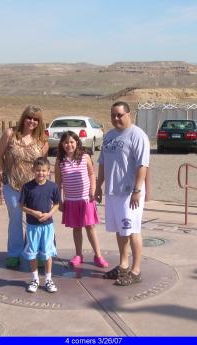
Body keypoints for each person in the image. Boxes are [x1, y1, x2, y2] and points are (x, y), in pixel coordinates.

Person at [94, 101, 150, 286]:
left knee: (132, 230)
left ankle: (136, 270)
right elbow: (102, 163)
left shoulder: (137, 135)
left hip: (129, 193)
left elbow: (143, 165)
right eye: (113, 115)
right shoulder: (109, 136)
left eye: (119, 115)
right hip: (112, 191)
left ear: (128, 114)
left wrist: (137, 190)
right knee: (120, 230)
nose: (116, 118)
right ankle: (123, 265)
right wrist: (98, 186)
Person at [0, 105, 49, 269]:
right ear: (23, 117)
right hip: (12, 185)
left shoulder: (42, 141)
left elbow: (43, 164)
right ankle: (14, 254)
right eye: (29, 117)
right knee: (15, 220)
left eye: (35, 119)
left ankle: (39, 253)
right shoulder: (10, 134)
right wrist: (6, 172)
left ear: (39, 122)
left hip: (34, 187)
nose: (31, 121)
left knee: (36, 220)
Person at [54, 131, 109, 268]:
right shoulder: (59, 161)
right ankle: (78, 255)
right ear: (62, 144)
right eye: (66, 142)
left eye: (72, 142)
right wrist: (59, 201)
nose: (69, 145)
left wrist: (93, 190)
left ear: (77, 142)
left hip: (86, 199)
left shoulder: (85, 157)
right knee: (77, 228)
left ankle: (98, 256)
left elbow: (91, 174)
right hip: (71, 201)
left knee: (90, 227)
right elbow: (57, 183)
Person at [21, 157, 61, 293]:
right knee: (32, 254)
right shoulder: (27, 187)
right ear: (33, 170)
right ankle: (35, 279)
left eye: (44, 170)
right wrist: (33, 212)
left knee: (47, 253)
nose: (41, 173)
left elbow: (57, 204)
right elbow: (21, 206)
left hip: (48, 226)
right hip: (32, 227)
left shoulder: (53, 187)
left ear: (48, 171)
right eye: (38, 170)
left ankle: (48, 279)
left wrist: (49, 214)